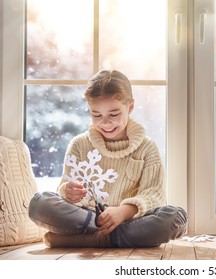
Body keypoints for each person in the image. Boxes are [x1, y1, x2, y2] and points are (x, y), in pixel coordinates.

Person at [28, 70, 188, 248]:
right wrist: (67, 192)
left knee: (176, 217)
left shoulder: (147, 148)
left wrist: (123, 212)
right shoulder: (79, 144)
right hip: (86, 218)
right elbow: (66, 190)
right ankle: (107, 236)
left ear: (130, 107)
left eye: (113, 114)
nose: (105, 122)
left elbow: (154, 196)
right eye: (96, 115)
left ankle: (97, 238)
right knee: (38, 204)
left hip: (128, 221)